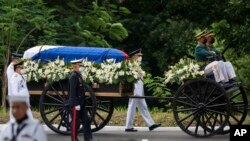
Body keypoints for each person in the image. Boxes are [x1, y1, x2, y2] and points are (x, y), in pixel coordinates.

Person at [125, 49, 161, 132]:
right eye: (139, 55)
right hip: (134, 90)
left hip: (139, 89)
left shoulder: (136, 64)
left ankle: (151, 124)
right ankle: (128, 126)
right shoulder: (131, 64)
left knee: (143, 106)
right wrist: (136, 91)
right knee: (132, 107)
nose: (140, 57)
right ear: (134, 56)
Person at [68, 59, 93, 141]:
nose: (81, 67)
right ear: (76, 66)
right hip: (76, 104)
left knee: (87, 120)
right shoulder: (73, 77)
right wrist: (76, 104)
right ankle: (74, 139)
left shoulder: (79, 75)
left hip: (81, 104)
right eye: (80, 65)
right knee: (75, 123)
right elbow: (72, 91)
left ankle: (88, 138)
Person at [7, 53, 23, 120]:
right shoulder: (11, 68)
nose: (19, 61)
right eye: (18, 59)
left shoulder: (15, 67)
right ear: (14, 59)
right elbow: (13, 82)